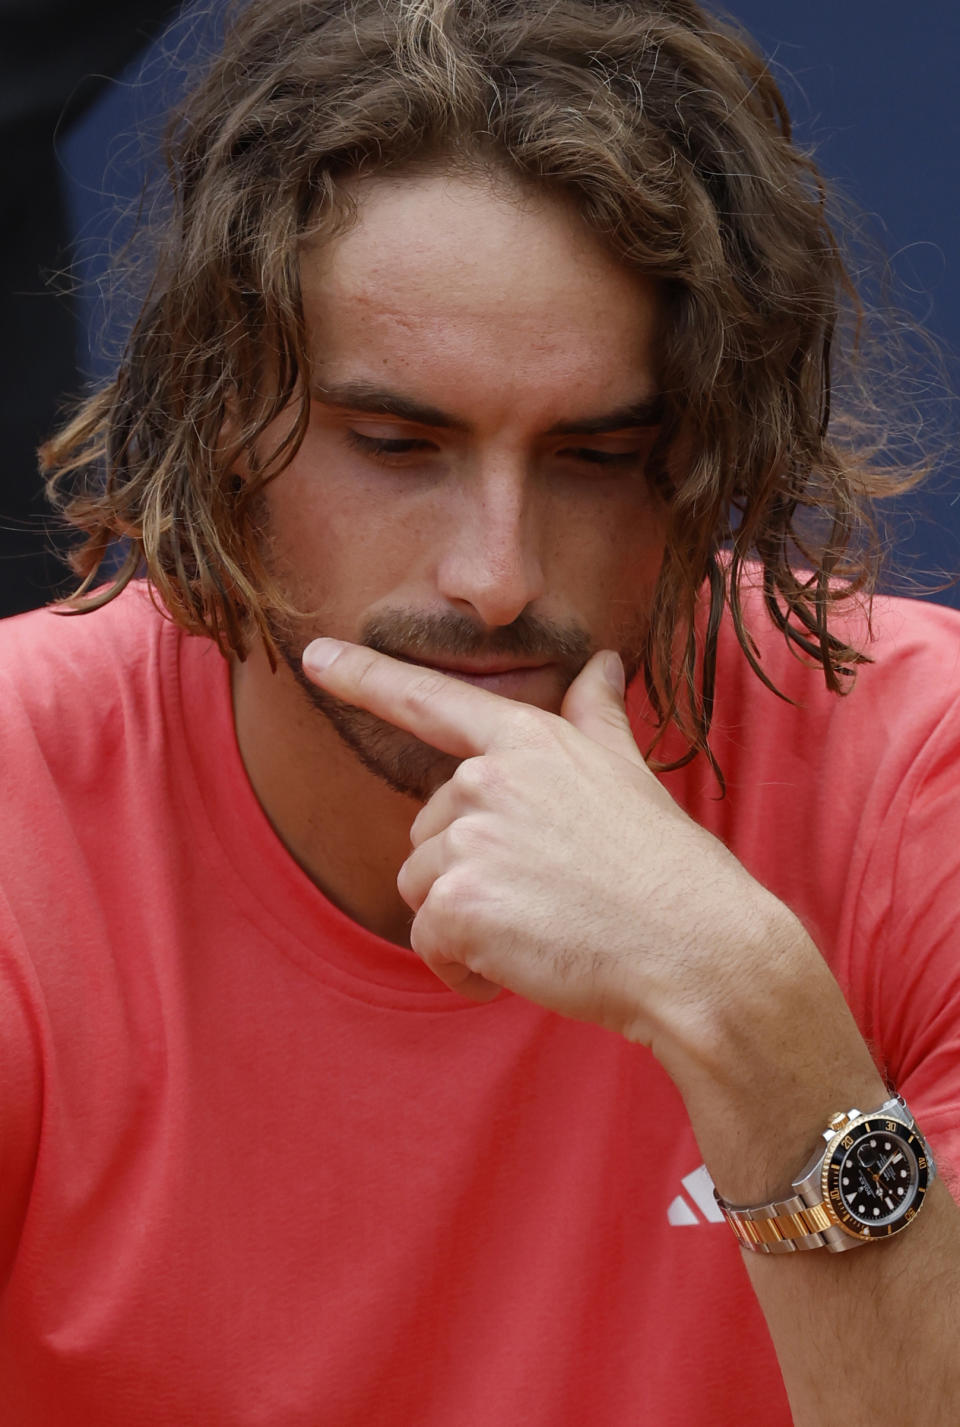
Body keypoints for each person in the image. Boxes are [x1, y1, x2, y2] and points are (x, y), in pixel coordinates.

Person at [2, 1, 958, 1422]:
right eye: (397, 446)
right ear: (218, 429)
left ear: (705, 456)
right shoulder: (22, 796)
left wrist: (753, 1015)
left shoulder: (919, 767)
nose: (497, 580)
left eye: (596, 457)